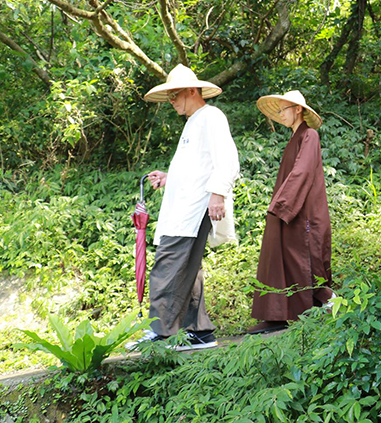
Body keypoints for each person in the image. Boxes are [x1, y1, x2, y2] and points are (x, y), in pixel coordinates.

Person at [127, 65, 240, 351]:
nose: (172, 101)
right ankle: (198, 331)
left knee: (167, 266)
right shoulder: (193, 122)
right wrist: (168, 177)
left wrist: (218, 195)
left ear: (192, 90)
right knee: (188, 270)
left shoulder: (211, 116)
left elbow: (227, 159)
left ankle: (161, 333)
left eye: (175, 94)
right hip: (183, 207)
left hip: (192, 209)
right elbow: (197, 168)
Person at [249, 90, 333, 334]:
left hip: (305, 214)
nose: (280, 114)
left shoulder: (310, 135)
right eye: (279, 110)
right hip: (290, 212)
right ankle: (277, 314)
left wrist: (281, 205)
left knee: (305, 263)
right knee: (280, 259)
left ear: (298, 109)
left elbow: (303, 172)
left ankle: (326, 307)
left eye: (284, 109)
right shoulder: (294, 139)